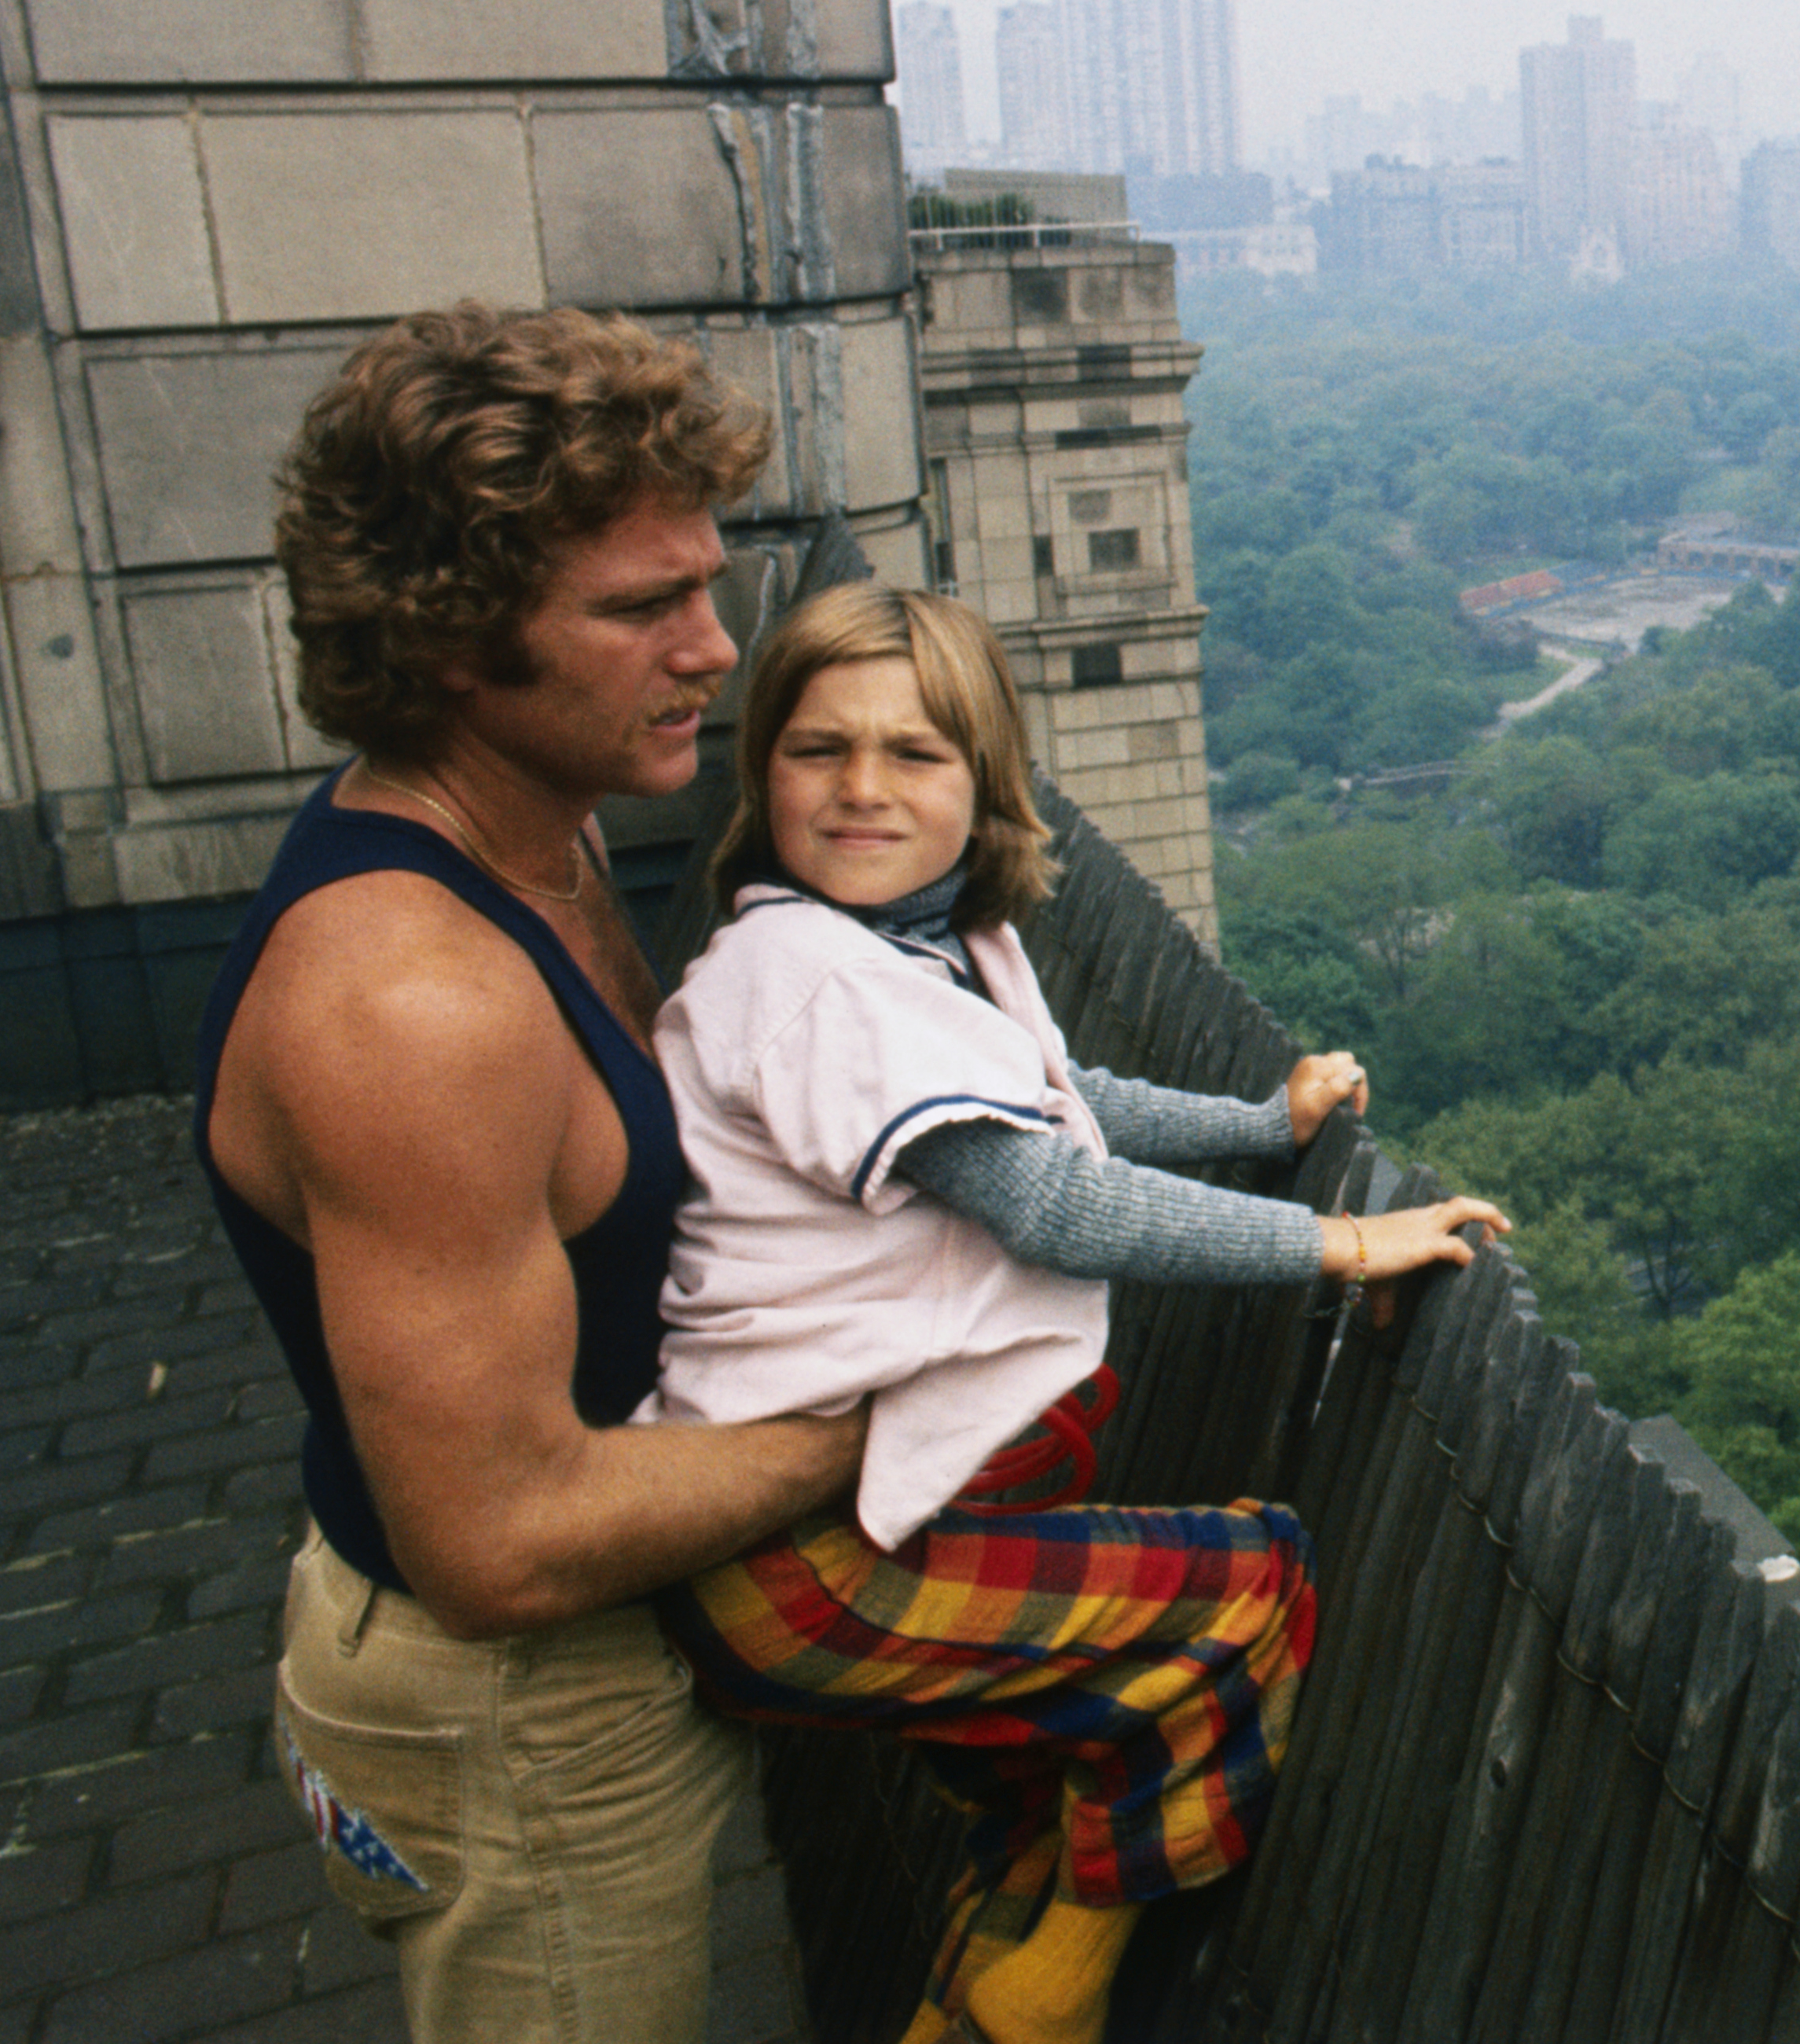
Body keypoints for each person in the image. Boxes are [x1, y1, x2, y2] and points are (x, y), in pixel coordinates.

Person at [644, 581, 1504, 2044]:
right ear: (759, 774)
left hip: (856, 1532)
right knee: (1246, 1590)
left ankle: (981, 2010)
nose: (862, 789)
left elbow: (1063, 1111)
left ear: (986, 786)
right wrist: (1341, 1242)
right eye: (817, 750)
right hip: (808, 1559)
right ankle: (1056, 1994)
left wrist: (1249, 1123)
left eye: (913, 754)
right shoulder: (807, 983)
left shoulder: (923, 950)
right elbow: (1050, 1199)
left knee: (1045, 1794)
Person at [197, 303, 870, 2042]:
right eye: (643, 609)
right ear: (446, 645)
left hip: (577, 1675)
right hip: (517, 1718)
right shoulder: (414, 1005)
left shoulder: (541, 827)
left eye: (705, 586)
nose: (717, 651)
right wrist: (901, 1411)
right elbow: (494, 1542)